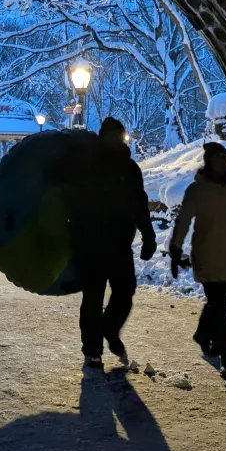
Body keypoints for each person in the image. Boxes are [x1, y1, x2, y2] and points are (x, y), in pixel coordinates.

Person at [66, 117, 156, 369]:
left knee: (125, 292)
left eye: (120, 135)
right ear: (103, 137)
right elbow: (71, 202)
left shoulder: (130, 169)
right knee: (93, 298)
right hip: (91, 244)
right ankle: (92, 351)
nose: (117, 139)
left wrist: (148, 235)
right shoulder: (87, 167)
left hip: (119, 244)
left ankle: (109, 328)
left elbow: (140, 204)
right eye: (113, 135)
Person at [169, 142, 226, 382]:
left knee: (217, 303)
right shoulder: (196, 190)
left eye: (224, 159)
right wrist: (175, 248)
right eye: (217, 159)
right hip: (207, 257)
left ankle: (202, 333)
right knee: (220, 306)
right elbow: (183, 221)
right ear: (208, 162)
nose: (222, 163)